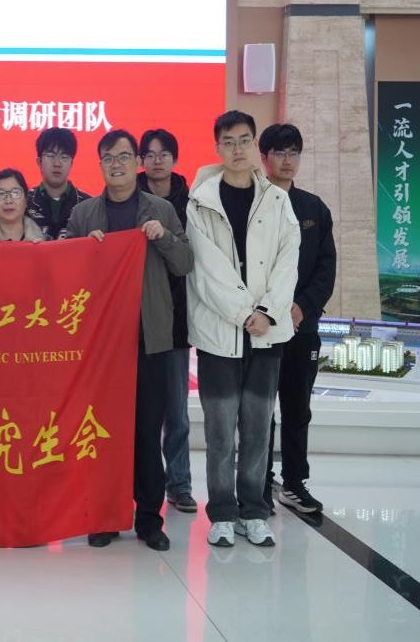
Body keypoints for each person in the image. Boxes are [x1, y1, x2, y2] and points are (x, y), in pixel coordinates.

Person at [65, 130, 193, 552]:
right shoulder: (84, 213)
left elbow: (185, 263)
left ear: (136, 162)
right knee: (102, 433)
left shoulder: (160, 209)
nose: (116, 164)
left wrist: (164, 236)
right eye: (108, 158)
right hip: (101, 346)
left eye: (123, 157)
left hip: (148, 338)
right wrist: (82, 249)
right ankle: (104, 516)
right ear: (100, 164)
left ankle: (149, 519)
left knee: (146, 431)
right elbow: (62, 269)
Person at [186, 111, 299, 549]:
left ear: (255, 146)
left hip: (267, 334)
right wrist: (243, 313)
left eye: (244, 140)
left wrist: (267, 313)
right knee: (219, 432)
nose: (237, 149)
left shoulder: (277, 200)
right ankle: (221, 513)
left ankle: (253, 510)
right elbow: (205, 268)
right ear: (218, 147)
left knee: (257, 428)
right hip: (219, 333)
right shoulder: (201, 201)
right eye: (228, 142)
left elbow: (288, 260)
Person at [259, 123, 336, 515]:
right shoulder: (253, 204)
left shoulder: (314, 209)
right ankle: (258, 481)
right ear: (264, 158)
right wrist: (270, 310)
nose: (288, 161)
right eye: (280, 153)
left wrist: (302, 307)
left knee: (297, 407)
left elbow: (326, 267)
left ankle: (294, 483)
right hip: (262, 329)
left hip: (302, 327)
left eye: (294, 153)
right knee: (258, 409)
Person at [137, 128, 197, 514]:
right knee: (136, 412)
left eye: (164, 154)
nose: (157, 160)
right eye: (150, 154)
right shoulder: (126, 199)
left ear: (174, 159)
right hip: (133, 323)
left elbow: (192, 259)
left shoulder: (192, 203)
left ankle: (179, 483)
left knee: (176, 411)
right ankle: (137, 486)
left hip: (176, 318)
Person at [26, 127, 91, 240]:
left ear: (71, 163)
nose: (57, 163)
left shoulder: (88, 205)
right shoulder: (24, 203)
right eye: (51, 156)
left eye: (64, 157)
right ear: (39, 162)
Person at [0, 168, 46, 242]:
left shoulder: (47, 241)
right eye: (1, 194)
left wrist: (42, 248)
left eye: (15, 193)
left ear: (26, 200)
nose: (8, 201)